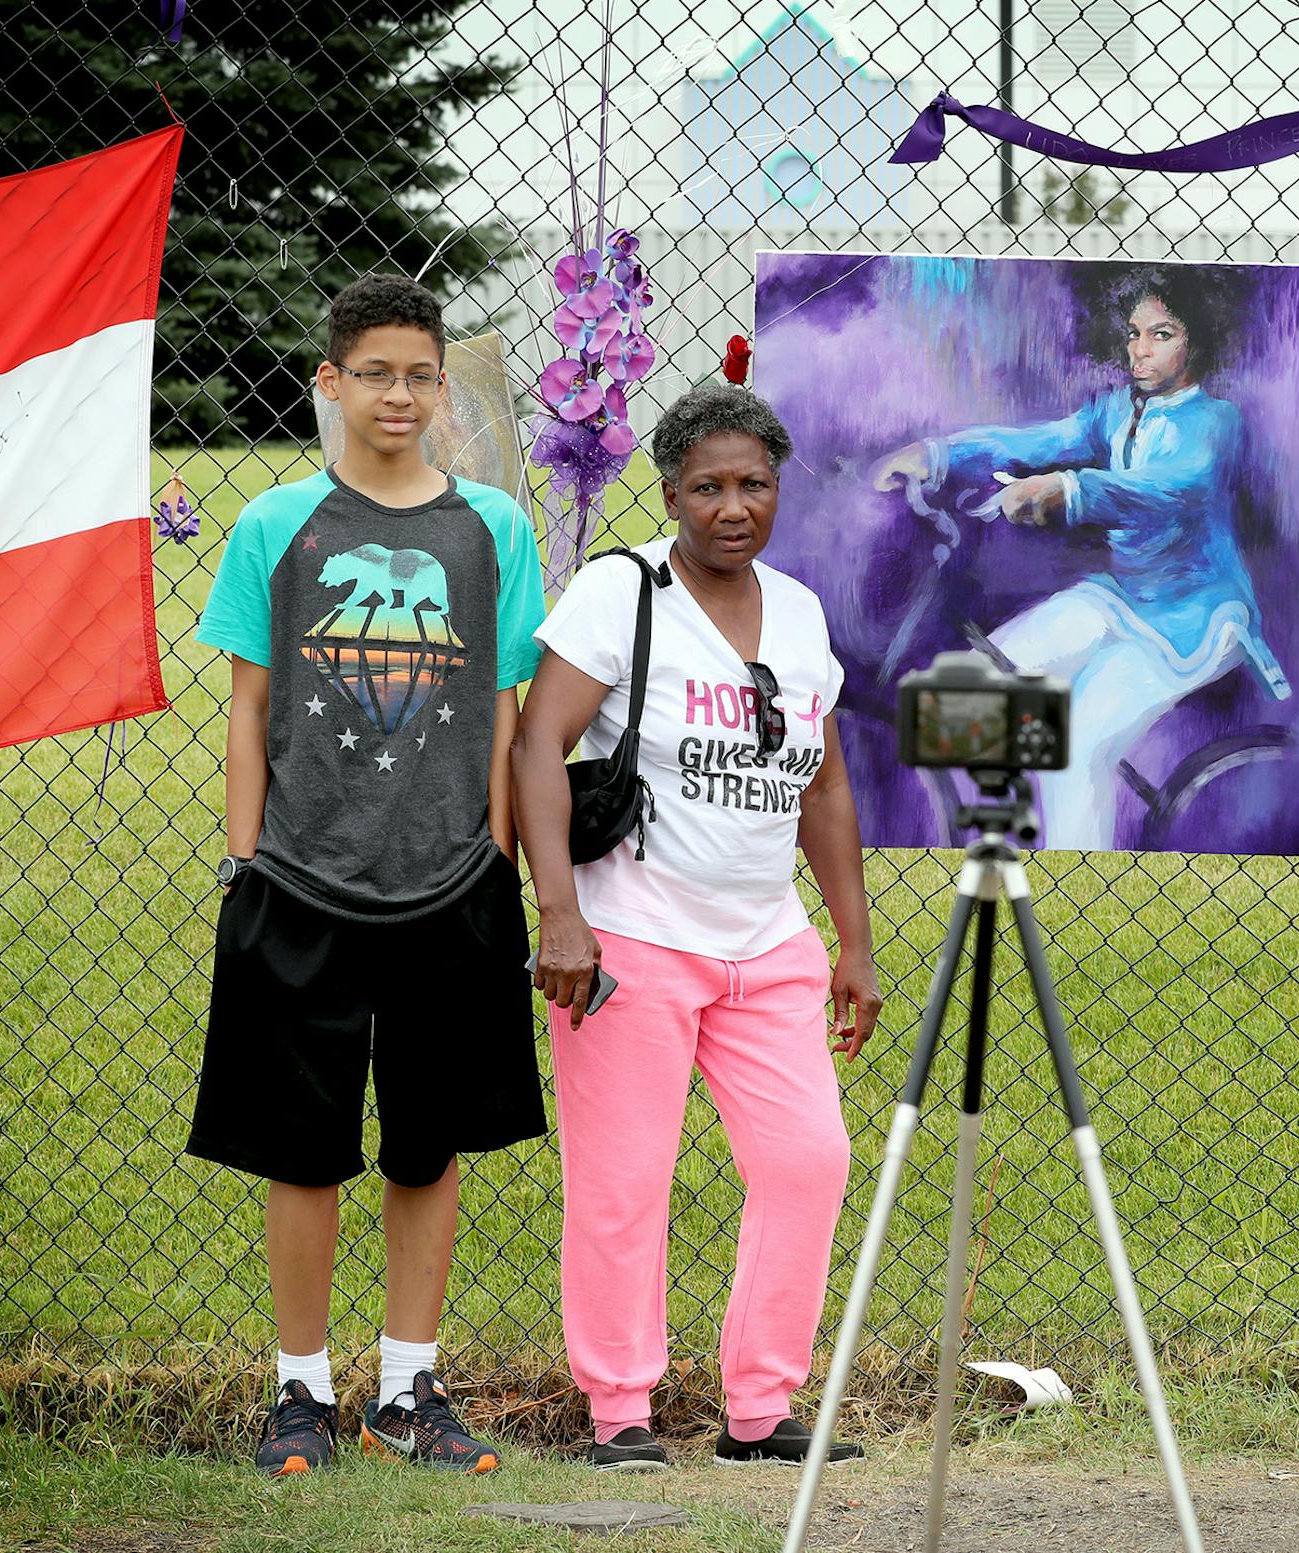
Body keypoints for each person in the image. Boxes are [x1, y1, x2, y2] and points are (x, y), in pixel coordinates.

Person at [188, 274, 548, 1475]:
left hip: (451, 882)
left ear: (445, 387)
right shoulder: (274, 526)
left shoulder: (491, 527)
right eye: (376, 373)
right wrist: (247, 858)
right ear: (331, 383)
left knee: (427, 1143)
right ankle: (300, 1393)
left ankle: (408, 1388)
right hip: (302, 876)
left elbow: (504, 709)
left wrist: (495, 859)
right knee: (304, 1146)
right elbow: (247, 709)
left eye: (421, 374)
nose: (400, 394)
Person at [512, 384, 883, 1472]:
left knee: (810, 1159)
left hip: (767, 941)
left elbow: (822, 783)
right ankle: (619, 1408)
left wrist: (851, 943)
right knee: (626, 1178)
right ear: (670, 490)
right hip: (632, 936)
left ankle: (760, 1410)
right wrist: (561, 913)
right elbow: (539, 745)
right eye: (709, 486)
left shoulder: (803, 612)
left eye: (754, 484)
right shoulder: (618, 591)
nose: (733, 505)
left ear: (779, 488)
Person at [869, 263, 1290, 850]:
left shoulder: (1216, 422)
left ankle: (1081, 884)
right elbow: (1037, 441)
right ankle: (1002, 835)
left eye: (1161, 334)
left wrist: (1068, 490)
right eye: (1134, 333)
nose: (1140, 351)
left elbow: (1166, 489)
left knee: (1079, 743)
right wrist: (936, 454)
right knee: (980, 686)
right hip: (1122, 598)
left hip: (1197, 617)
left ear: (1198, 341)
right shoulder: (1116, 411)